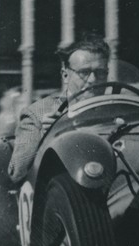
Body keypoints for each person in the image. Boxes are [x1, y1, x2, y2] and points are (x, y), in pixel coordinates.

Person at [7, 35, 111, 183]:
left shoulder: (116, 109)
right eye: (84, 72)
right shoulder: (38, 113)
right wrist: (46, 135)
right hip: (63, 196)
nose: (93, 80)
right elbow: (18, 171)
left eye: (100, 73)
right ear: (65, 75)